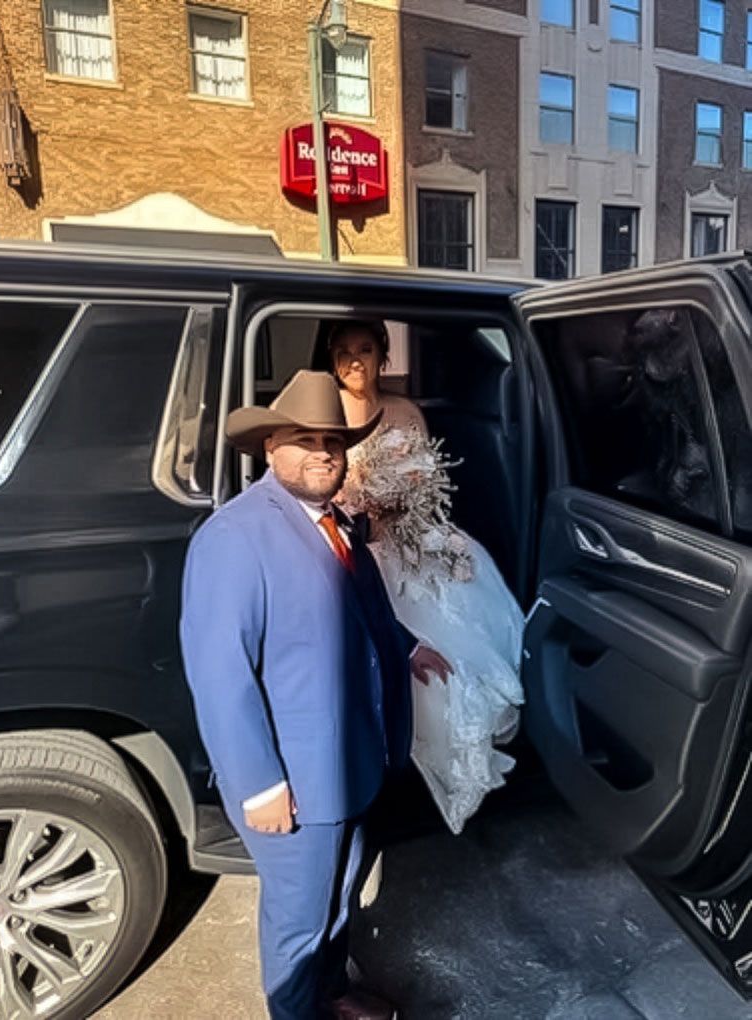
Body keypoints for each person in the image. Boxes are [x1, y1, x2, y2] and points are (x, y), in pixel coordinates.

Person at [179, 369, 449, 1020]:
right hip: (294, 778)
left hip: (352, 758)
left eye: (333, 441)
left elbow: (365, 611)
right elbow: (219, 671)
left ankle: (332, 992)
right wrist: (259, 784)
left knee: (341, 892)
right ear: (271, 446)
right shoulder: (236, 536)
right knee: (298, 923)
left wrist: (405, 647)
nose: (323, 453)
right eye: (305, 439)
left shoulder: (337, 523)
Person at [327, 321, 525, 835]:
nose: (354, 361)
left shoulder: (405, 411)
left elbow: (426, 480)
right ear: (332, 360)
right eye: (344, 351)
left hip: (412, 533)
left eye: (365, 349)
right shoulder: (324, 414)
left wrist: (407, 505)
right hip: (361, 546)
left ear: (383, 356)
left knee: (464, 574)